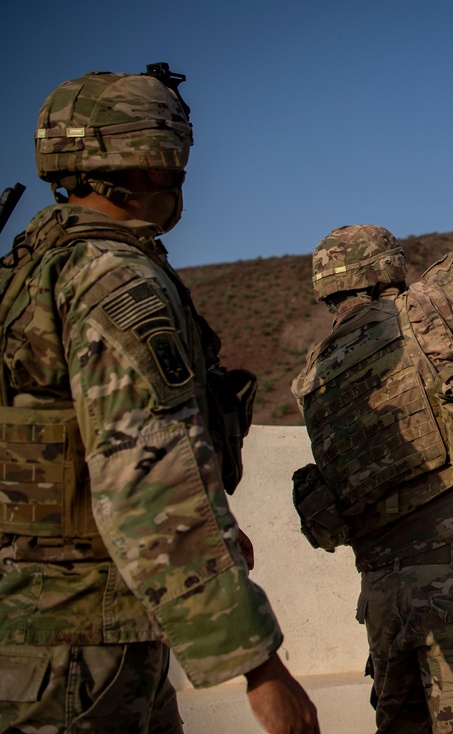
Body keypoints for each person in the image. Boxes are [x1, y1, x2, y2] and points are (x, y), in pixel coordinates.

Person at [0, 65, 319, 733]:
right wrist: (261, 669)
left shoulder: (33, 265)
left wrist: (220, 532)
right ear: (150, 159)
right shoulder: (115, 279)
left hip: (41, 626)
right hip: (84, 646)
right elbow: (150, 481)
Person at [291, 222, 453, 733]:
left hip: (384, 598)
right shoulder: (420, 311)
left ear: (327, 285)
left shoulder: (316, 372)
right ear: (388, 267)